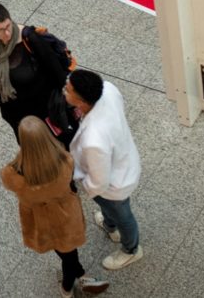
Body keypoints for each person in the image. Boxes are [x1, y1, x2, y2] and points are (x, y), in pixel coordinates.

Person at [1, 117, 110, 297]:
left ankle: (73, 282)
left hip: (39, 218)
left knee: (62, 250)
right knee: (68, 249)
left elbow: (5, 181)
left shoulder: (13, 175)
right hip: (65, 213)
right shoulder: (65, 162)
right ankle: (75, 281)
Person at [64, 69, 143, 271]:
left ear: (81, 101)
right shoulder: (108, 89)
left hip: (113, 186)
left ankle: (131, 249)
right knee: (112, 210)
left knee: (123, 215)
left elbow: (99, 182)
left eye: (68, 89)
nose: (65, 88)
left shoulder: (94, 140)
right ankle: (110, 225)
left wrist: (85, 187)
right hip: (124, 162)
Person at [0, 3, 72, 140]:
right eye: (0, 30)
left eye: (8, 26)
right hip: (15, 115)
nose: (7, 33)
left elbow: (58, 74)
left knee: (54, 147)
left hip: (43, 111)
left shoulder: (30, 38)